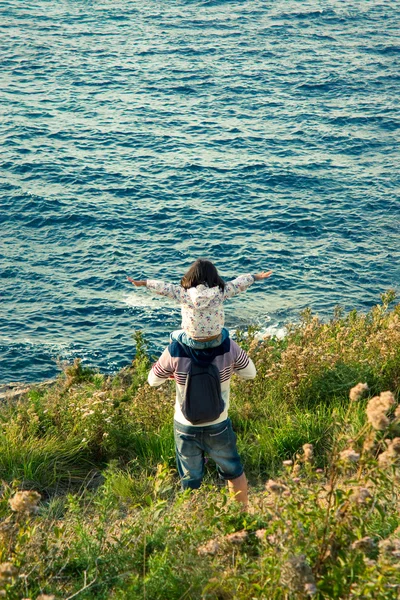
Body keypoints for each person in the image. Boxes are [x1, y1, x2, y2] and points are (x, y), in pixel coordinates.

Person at [147, 335, 256, 509]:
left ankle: (194, 523)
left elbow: (153, 380)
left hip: (186, 426)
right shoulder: (228, 346)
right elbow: (251, 373)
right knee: (233, 472)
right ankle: (240, 518)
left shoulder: (175, 349)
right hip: (218, 423)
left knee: (190, 480)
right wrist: (229, 366)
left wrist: (172, 373)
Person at [128, 259, 272, 349]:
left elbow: (165, 287)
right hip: (215, 339)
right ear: (214, 276)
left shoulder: (183, 294)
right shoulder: (221, 292)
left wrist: (144, 283)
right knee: (226, 332)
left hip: (192, 341)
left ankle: (172, 364)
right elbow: (238, 283)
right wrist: (255, 277)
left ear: (191, 276)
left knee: (173, 336)